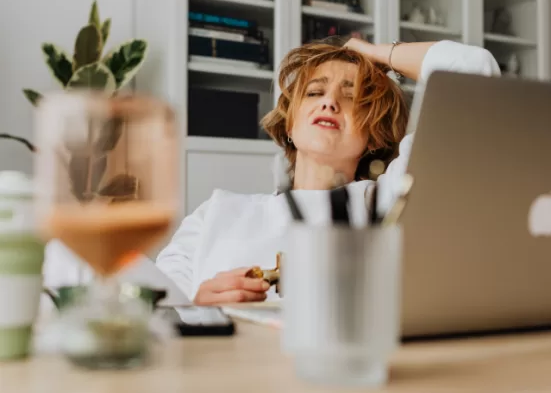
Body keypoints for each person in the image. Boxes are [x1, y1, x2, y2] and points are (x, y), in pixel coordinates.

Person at [154, 38, 501, 306]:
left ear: (372, 135)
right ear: (289, 123)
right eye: (315, 91)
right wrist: (197, 307)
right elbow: (151, 310)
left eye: (351, 97)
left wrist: (372, 53)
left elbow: (476, 71)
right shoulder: (217, 212)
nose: (329, 102)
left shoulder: (391, 200)